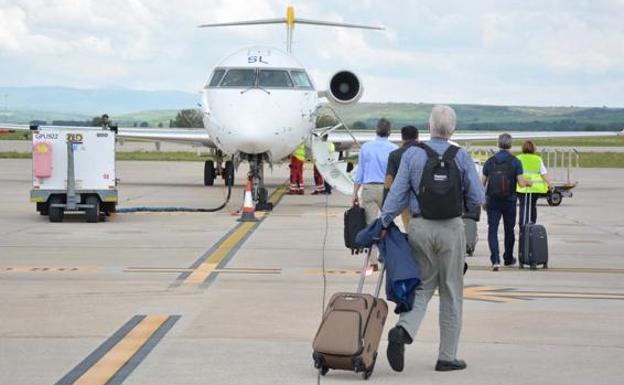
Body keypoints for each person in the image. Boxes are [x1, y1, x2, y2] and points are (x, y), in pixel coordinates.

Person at [381, 105, 485, 373]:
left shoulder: (413, 155)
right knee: (451, 290)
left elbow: (398, 194)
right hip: (451, 228)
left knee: (423, 286)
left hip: (420, 227)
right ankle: (447, 356)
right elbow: (477, 198)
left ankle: (403, 330)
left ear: (428, 128)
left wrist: (383, 222)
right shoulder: (461, 156)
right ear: (452, 130)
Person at [481, 133, 532, 271]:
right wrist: (528, 182)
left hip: (493, 201)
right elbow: (521, 183)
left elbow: (482, 183)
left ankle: (495, 260)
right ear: (510, 144)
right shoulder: (515, 161)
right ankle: (508, 259)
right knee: (509, 230)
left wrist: (482, 200)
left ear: (498, 144)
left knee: (492, 230)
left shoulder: (490, 161)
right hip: (509, 201)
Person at [352, 118, 398, 267]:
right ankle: (386, 255)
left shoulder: (366, 147)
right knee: (387, 224)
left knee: (370, 225)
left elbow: (360, 173)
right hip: (387, 189)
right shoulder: (393, 149)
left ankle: (372, 261)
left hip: (369, 188)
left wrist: (354, 193)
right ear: (389, 132)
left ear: (376, 130)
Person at [384, 125, 419, 229]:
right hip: (423, 199)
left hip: (404, 199)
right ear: (418, 137)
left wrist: (385, 203)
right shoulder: (425, 152)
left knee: (409, 231)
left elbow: (389, 180)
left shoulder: (395, 154)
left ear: (402, 138)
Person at [516, 140, 553, 225]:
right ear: (534, 148)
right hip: (535, 187)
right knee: (532, 206)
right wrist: (550, 184)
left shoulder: (518, 158)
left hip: (522, 187)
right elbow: (544, 173)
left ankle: (522, 225)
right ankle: (532, 224)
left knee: (523, 206)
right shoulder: (538, 159)